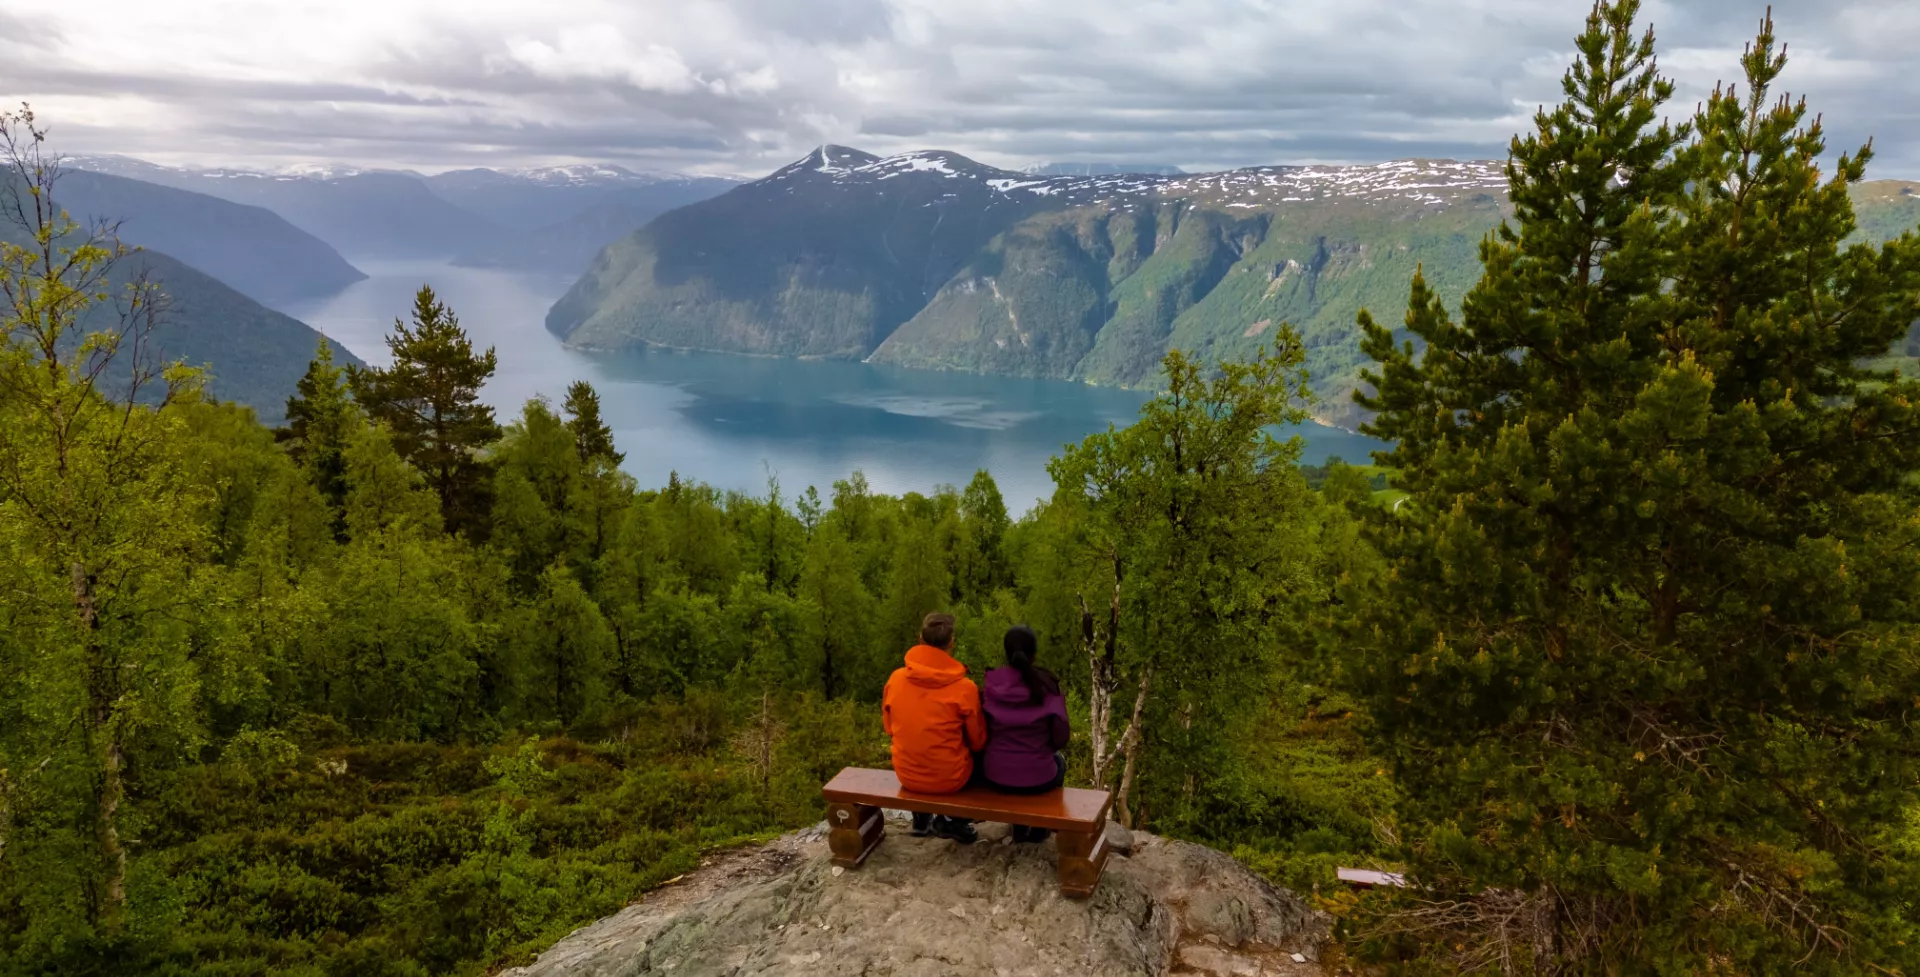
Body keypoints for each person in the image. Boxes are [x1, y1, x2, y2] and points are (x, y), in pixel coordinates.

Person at [882, 612, 987, 844]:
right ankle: (953, 821)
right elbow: (978, 741)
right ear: (951, 643)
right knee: (985, 761)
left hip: (907, 774)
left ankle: (921, 816)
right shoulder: (965, 688)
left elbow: (890, 728)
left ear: (920, 639)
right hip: (950, 779)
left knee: (916, 742)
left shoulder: (896, 679)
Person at [980, 624, 1071, 843]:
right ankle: (1040, 826)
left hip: (995, 776)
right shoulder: (1047, 687)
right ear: (1034, 654)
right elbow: (1061, 738)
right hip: (1039, 778)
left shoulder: (991, 685)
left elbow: (981, 731)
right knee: (1059, 762)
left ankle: (1019, 829)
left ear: (1006, 652)